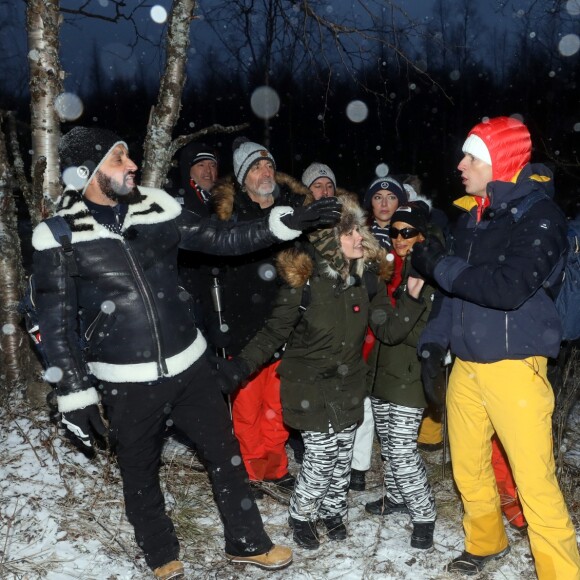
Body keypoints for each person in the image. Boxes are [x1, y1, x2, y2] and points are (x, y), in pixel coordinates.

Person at [32, 126, 341, 580]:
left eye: (129, 157)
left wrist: (284, 224)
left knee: (226, 454)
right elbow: (55, 323)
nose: (132, 165)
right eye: (119, 160)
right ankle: (161, 555)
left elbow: (221, 238)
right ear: (88, 173)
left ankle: (246, 541)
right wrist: (74, 394)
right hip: (125, 378)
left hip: (189, 364)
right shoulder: (58, 235)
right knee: (139, 473)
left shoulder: (156, 208)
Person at [412, 116, 580, 578]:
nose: (461, 164)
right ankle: (486, 540)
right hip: (466, 367)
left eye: (472, 156)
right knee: (468, 467)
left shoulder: (540, 216)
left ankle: (561, 571)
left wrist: (438, 265)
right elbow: (454, 294)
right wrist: (432, 344)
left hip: (515, 370)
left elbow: (507, 288)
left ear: (500, 161)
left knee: (534, 483)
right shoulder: (474, 215)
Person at [214, 195, 431, 551]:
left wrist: (409, 299)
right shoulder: (305, 282)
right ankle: (302, 515)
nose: (360, 237)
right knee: (321, 457)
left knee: (344, 455)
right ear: (331, 239)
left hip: (348, 383)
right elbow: (273, 332)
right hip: (308, 383)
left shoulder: (365, 280)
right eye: (350, 232)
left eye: (359, 230)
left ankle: (333, 511)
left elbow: (387, 328)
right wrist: (240, 367)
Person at [209, 138, 314, 494]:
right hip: (244, 326)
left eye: (268, 165)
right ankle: (252, 470)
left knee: (279, 406)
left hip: (287, 323)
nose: (265, 171)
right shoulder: (230, 216)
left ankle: (276, 467)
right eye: (255, 167)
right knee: (248, 407)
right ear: (242, 178)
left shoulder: (294, 210)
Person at [364, 203, 437, 550]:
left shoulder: (428, 272)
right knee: (389, 449)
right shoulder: (390, 268)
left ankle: (424, 515)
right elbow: (382, 318)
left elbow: (400, 332)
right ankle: (395, 497)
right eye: (394, 231)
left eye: (407, 232)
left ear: (421, 234)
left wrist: (382, 314)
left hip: (409, 377)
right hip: (382, 374)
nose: (399, 238)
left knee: (404, 452)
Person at [348, 175, 408, 492]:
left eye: (391, 197)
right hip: (366, 323)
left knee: (392, 401)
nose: (384, 204)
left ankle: (396, 466)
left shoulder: (409, 232)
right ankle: (358, 466)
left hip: (400, 325)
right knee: (366, 398)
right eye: (378, 197)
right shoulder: (360, 235)